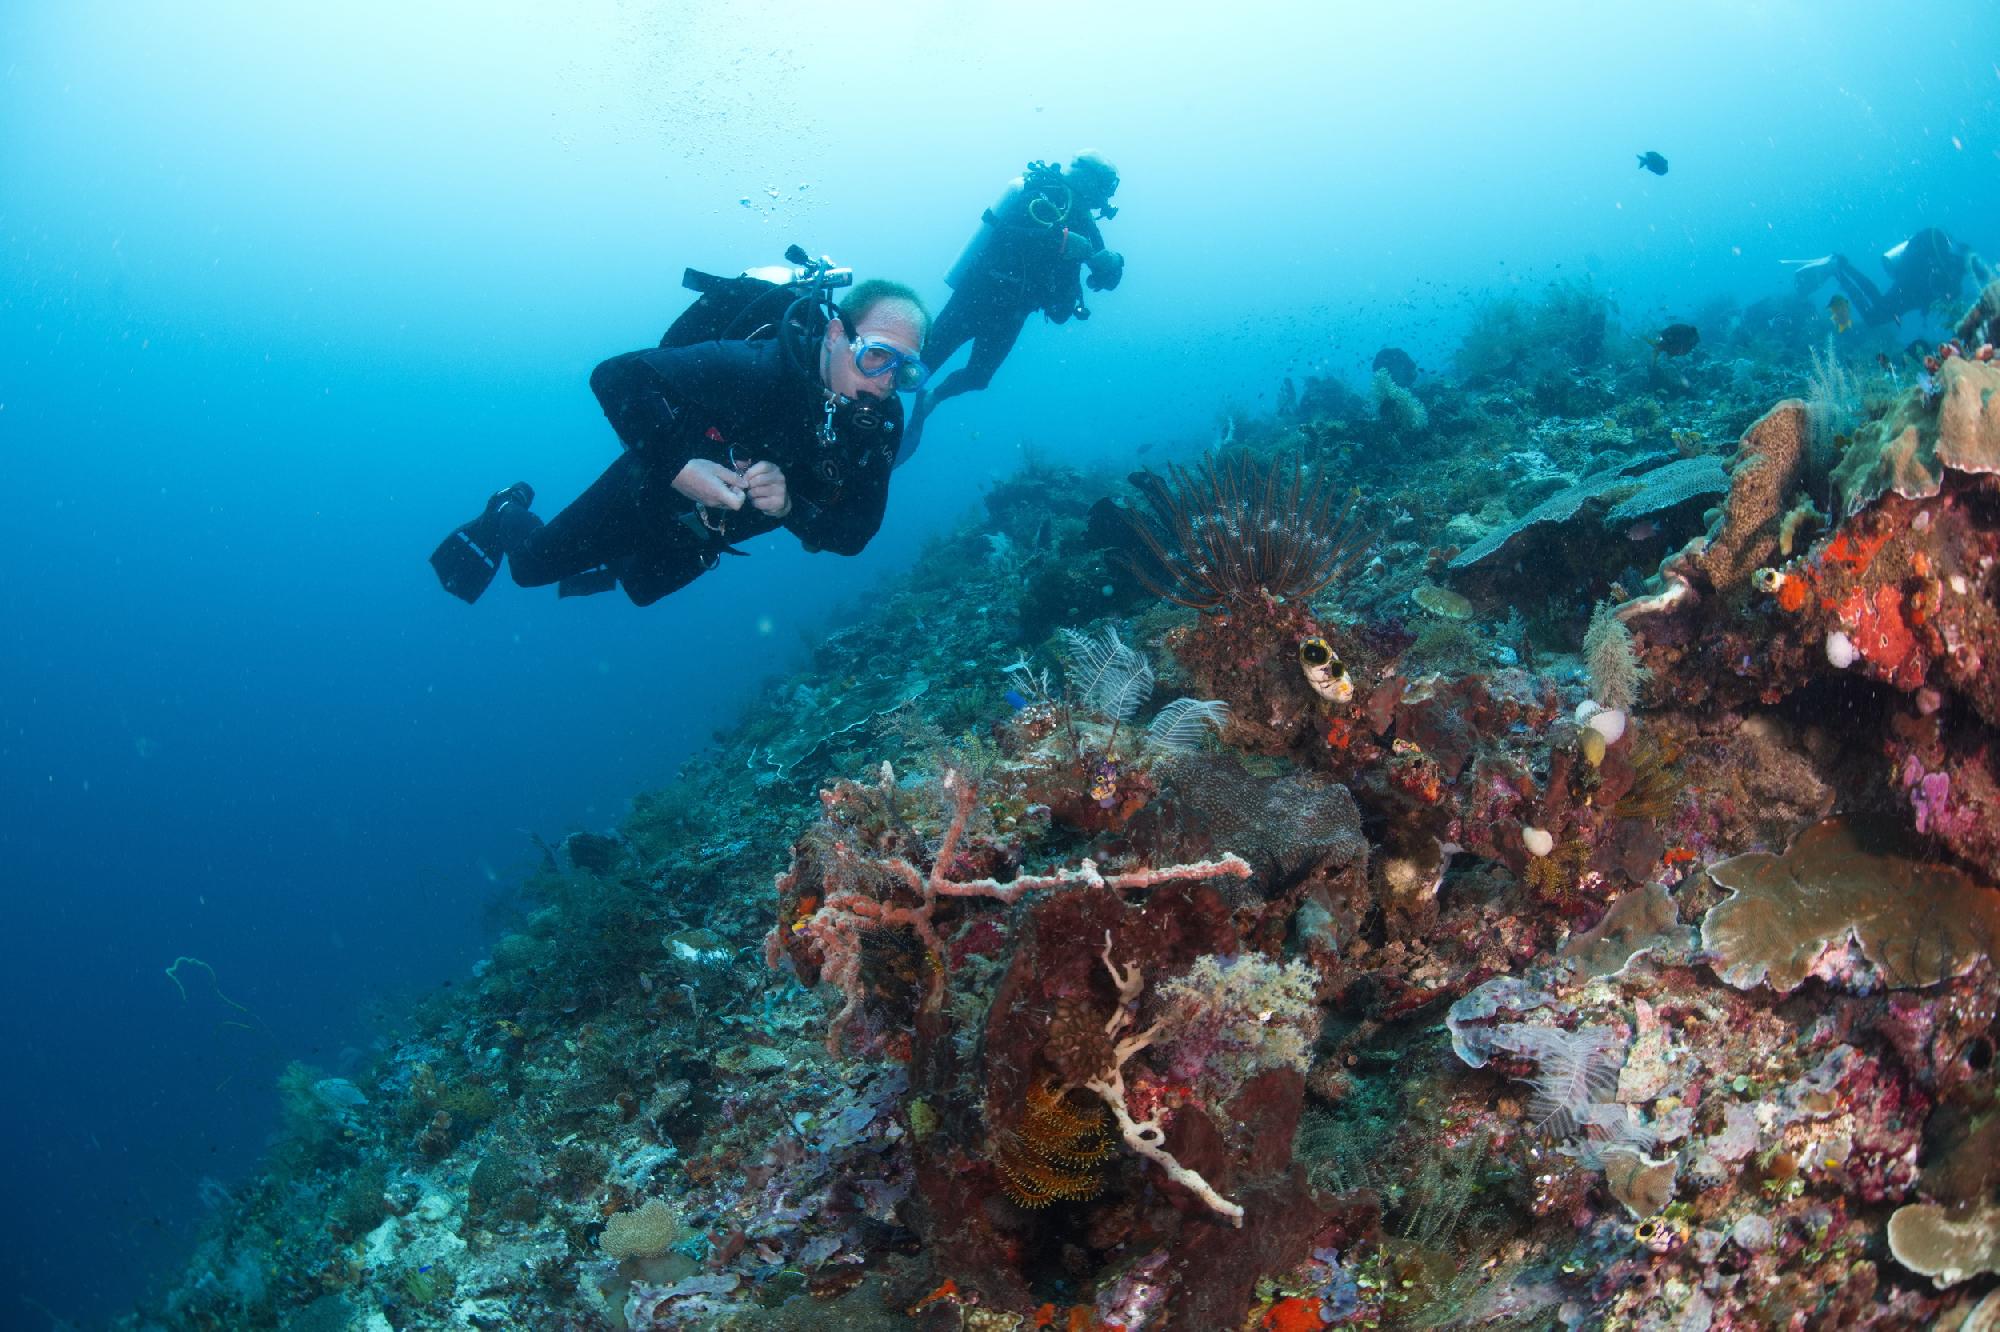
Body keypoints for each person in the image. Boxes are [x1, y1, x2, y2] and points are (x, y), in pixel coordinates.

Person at [430, 279, 930, 607]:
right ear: (836, 334)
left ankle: (621, 559)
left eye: (906, 369)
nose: (887, 382)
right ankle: (506, 508)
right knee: (530, 568)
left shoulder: (883, 421)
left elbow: (855, 536)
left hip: (705, 534)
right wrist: (676, 467)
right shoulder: (758, 367)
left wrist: (788, 507)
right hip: (650, 489)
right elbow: (616, 376)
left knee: (641, 588)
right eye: (877, 357)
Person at [899, 152, 1124, 462]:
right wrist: (1059, 240)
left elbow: (1107, 274)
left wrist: (1113, 263)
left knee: (979, 377)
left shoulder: (1083, 219)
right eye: (1104, 190)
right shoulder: (1037, 193)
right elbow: (1007, 232)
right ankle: (865, 409)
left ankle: (930, 401)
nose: (1105, 200)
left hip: (1012, 313)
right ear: (1088, 180)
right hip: (975, 298)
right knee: (918, 366)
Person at [1788, 227, 1992, 327]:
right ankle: (1839, 267)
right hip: (1910, 285)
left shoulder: (1954, 268)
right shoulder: (1950, 259)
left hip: (1912, 293)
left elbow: (1949, 293)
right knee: (1874, 314)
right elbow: (1944, 287)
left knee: (1874, 314)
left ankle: (1841, 269)